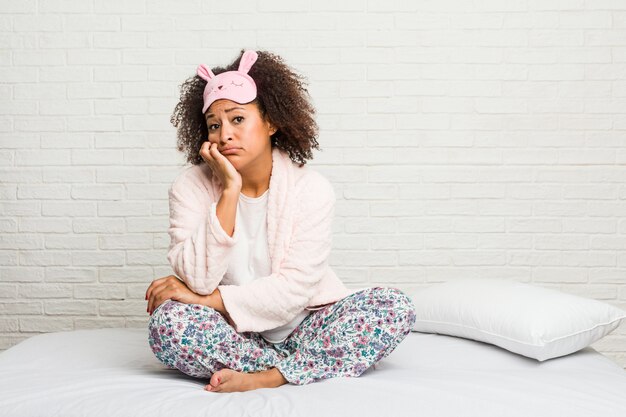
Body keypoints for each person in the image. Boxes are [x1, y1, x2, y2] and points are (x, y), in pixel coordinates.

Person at [145, 49, 416, 393]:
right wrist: (229, 191)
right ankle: (307, 364)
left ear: (271, 122)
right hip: (237, 334)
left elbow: (294, 290)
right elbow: (197, 279)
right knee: (168, 323)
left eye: (237, 119)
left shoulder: (311, 189)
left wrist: (211, 300)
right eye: (214, 125)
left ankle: (268, 376)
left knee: (393, 307)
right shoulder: (190, 187)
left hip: (308, 324)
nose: (224, 134)